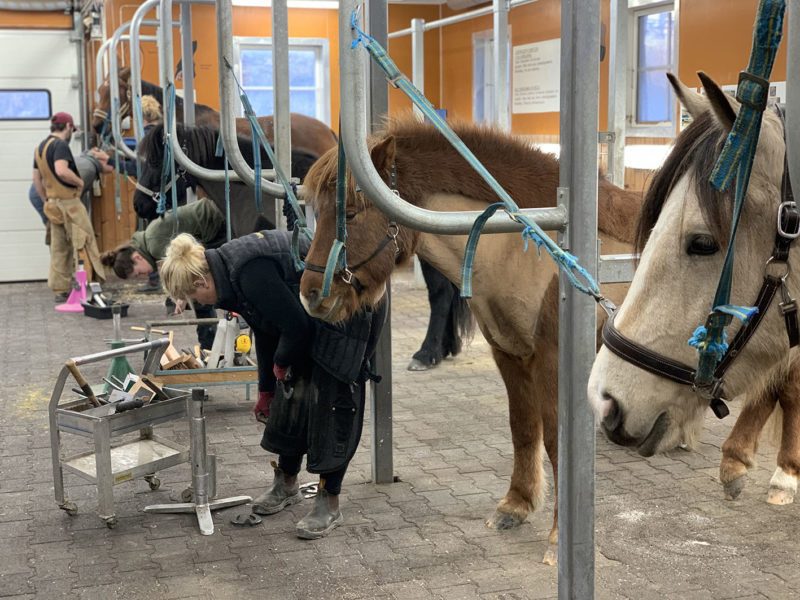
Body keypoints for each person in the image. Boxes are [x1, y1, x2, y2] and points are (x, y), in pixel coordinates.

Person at [160, 231, 386, 539]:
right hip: (314, 314)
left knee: (333, 404)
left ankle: (328, 499)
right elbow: (267, 330)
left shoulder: (249, 272)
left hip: (350, 307)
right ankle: (287, 483)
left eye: (193, 298)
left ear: (202, 282)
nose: (197, 303)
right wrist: (267, 389)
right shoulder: (230, 273)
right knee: (291, 395)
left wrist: (281, 364)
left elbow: (296, 328)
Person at [101, 197, 227, 349]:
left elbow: (183, 272)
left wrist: (181, 297)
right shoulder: (150, 240)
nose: (144, 276)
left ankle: (208, 346)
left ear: (137, 257)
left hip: (216, 219)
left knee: (198, 287)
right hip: (210, 223)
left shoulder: (154, 245)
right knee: (196, 289)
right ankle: (209, 344)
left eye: (138, 273)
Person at [33, 111, 105, 301]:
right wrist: (80, 182)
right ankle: (91, 286)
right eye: (71, 130)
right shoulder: (60, 145)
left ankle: (60, 289)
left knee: (59, 248)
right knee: (85, 243)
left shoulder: (40, 148)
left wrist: (46, 199)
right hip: (70, 204)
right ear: (68, 127)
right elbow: (61, 170)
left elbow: (36, 179)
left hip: (52, 205)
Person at [107, 95, 162, 177]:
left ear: (140, 117)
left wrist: (109, 161)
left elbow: (135, 169)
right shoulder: (160, 133)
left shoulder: (146, 137)